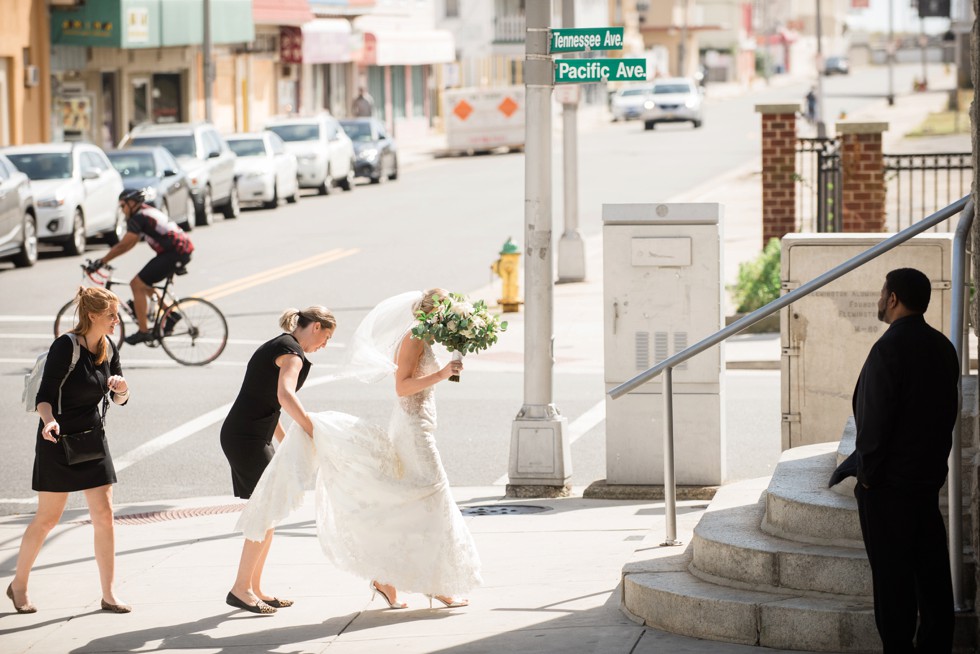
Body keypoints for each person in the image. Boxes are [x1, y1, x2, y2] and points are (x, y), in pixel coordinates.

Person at [236, 289, 482, 610]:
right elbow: (401, 386)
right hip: (414, 429)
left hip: (421, 424)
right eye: (445, 315)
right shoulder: (412, 338)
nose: (446, 321)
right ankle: (431, 584)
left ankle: (394, 580)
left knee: (412, 502)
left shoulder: (424, 337)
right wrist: (442, 373)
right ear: (435, 314)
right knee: (431, 496)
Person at [851, 268, 958, 652]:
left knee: (893, 588)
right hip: (925, 484)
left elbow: (875, 422)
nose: (880, 299)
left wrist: (867, 479)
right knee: (931, 581)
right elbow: (947, 414)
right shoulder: (943, 347)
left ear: (893, 298)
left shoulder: (889, 348)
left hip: (888, 491)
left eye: (883, 292)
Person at [7, 287, 131, 614]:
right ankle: (18, 584)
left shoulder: (108, 347)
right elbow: (44, 396)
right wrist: (48, 422)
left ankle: (109, 593)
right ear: (92, 315)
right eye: (111, 316)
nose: (116, 321)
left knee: (104, 516)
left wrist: (122, 389)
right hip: (57, 438)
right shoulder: (65, 347)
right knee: (48, 519)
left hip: (92, 437)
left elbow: (120, 399)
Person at [221, 307, 336, 614]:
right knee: (264, 512)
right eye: (326, 337)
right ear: (316, 327)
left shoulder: (283, 345)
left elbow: (270, 404)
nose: (324, 345)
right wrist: (312, 430)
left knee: (268, 514)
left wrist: (286, 441)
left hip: (249, 436)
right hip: (246, 439)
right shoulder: (292, 353)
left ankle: (254, 588)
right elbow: (285, 396)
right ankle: (240, 589)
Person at [89, 188, 194, 346]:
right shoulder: (144, 213)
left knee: (136, 284)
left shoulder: (138, 218)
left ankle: (143, 332)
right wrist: (106, 260)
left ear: (132, 203)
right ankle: (170, 316)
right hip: (178, 251)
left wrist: (102, 261)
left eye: (123, 205)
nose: (122, 210)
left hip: (175, 253)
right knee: (144, 283)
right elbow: (129, 245)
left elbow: (124, 244)